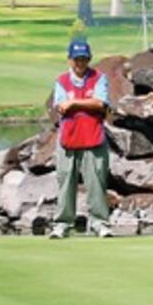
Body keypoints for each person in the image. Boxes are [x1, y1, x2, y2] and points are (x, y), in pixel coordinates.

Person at [48, 39, 113, 239]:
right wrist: (85, 103)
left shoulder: (99, 78)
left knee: (96, 183)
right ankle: (62, 224)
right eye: (76, 59)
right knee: (66, 182)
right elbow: (61, 106)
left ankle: (99, 223)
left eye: (84, 58)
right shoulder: (61, 81)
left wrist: (75, 102)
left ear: (89, 59)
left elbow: (100, 104)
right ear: (69, 60)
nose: (80, 63)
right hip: (69, 139)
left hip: (94, 138)